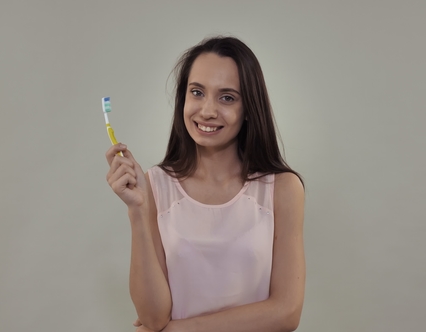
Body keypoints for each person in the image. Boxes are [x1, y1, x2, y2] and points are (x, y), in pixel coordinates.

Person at [105, 36, 305, 332]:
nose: (207, 110)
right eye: (197, 92)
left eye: (227, 97)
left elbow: (286, 312)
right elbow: (153, 316)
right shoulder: (155, 186)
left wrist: (178, 330)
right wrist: (137, 211)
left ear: (249, 107)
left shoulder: (282, 189)